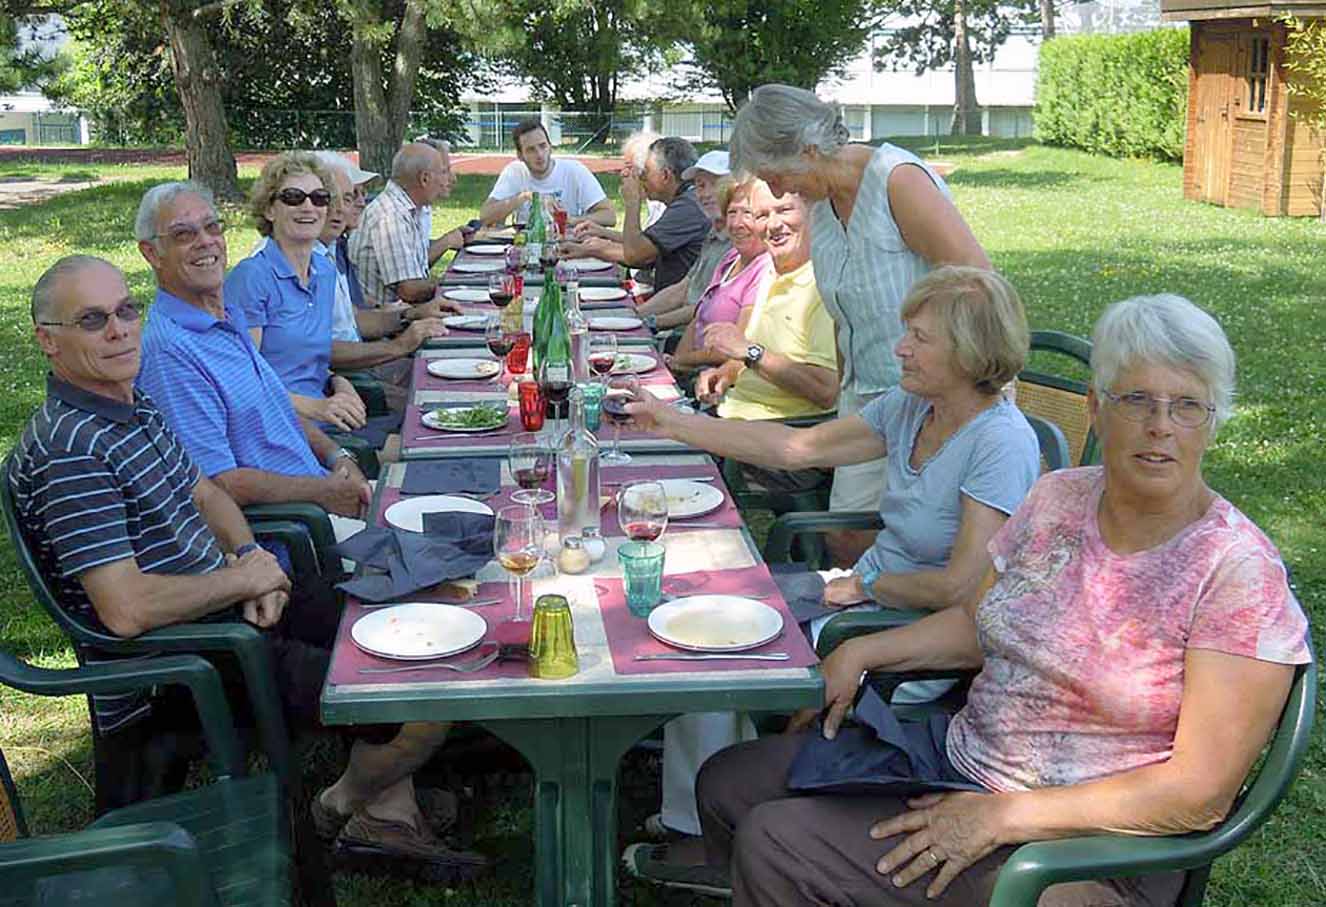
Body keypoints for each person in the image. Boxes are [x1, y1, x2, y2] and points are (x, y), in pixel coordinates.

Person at [626, 293, 1311, 906]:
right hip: (962, 760)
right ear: (1099, 408)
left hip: (1086, 848)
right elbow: (980, 621)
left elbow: (1198, 793)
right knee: (727, 783)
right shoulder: (1060, 498)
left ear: (1211, 421)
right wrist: (864, 648)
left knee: (779, 839)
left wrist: (1002, 817)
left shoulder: (1234, 570)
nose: (1162, 424)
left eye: (1187, 405)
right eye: (1137, 400)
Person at [11, 254, 489, 879]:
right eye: (93, 320)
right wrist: (242, 581)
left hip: (232, 602)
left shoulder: (127, 404)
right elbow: (125, 611)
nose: (121, 330)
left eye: (126, 311)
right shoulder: (71, 451)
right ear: (48, 340)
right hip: (186, 657)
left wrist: (247, 555)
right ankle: (340, 808)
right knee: (417, 687)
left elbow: (208, 493)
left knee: (425, 603)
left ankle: (379, 794)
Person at [631, 265, 1040, 844]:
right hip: (855, 593)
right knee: (703, 611)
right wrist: (674, 424)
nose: (900, 348)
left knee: (714, 647)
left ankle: (706, 830)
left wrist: (867, 589)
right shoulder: (913, 406)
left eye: (920, 338)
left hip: (906, 628)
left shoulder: (1000, 444)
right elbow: (797, 447)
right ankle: (707, 807)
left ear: (970, 353)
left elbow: (961, 587)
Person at [730, 84, 992, 564]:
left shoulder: (897, 181)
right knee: (846, 541)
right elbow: (842, 311)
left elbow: (980, 287)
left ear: (807, 150)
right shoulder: (823, 206)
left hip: (939, 403)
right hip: (866, 400)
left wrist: (967, 402)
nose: (781, 191)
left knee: (922, 552)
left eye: (779, 176)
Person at [135, 181, 372, 538]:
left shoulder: (227, 316)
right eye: (184, 234)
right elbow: (219, 485)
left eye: (212, 227)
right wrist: (324, 493)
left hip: (325, 499)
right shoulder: (171, 352)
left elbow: (277, 409)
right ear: (151, 253)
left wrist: (338, 456)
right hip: (298, 535)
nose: (206, 241)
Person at [223, 153, 401, 451]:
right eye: (293, 197)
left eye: (319, 198)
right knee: (409, 456)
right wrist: (317, 408)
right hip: (281, 431)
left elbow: (308, 360)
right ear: (269, 209)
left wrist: (339, 384)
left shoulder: (324, 271)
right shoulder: (252, 278)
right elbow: (242, 382)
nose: (309, 206)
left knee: (428, 432)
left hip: (329, 417)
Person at [311, 152, 451, 413]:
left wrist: (412, 314)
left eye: (351, 196)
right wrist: (399, 344)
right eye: (329, 199)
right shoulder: (295, 263)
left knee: (454, 375)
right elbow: (321, 352)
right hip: (348, 380)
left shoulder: (326, 252)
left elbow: (352, 320)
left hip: (360, 363)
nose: (352, 206)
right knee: (439, 399)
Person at [696, 182, 837, 425]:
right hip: (729, 414)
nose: (772, 225)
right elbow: (750, 356)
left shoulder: (822, 286)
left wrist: (750, 352)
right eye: (761, 215)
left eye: (784, 210)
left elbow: (825, 391)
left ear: (812, 213)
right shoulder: (770, 272)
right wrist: (725, 373)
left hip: (771, 438)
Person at [562, 137, 710, 292]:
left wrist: (632, 202)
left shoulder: (687, 207)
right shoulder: (687, 200)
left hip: (675, 304)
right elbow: (647, 243)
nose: (639, 179)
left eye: (644, 173)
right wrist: (603, 234)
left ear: (665, 176)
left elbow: (635, 254)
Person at [349, 141, 468, 308]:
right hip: (387, 325)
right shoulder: (391, 215)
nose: (450, 178)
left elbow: (415, 270)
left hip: (399, 316)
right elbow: (409, 291)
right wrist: (456, 283)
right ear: (425, 179)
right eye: (443, 172)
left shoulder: (407, 208)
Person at [667, 176, 767, 373]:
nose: (737, 223)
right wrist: (678, 362)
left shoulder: (764, 269)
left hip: (717, 381)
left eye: (747, 213)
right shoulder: (731, 257)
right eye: (731, 212)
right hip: (690, 369)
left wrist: (681, 361)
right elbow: (699, 316)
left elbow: (735, 347)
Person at [632, 150, 737, 334]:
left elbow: (706, 308)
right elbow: (684, 288)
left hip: (701, 341)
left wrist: (651, 321)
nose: (706, 194)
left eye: (716, 185)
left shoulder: (740, 243)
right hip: (684, 335)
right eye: (701, 186)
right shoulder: (715, 233)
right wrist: (634, 315)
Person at [479, 118, 616, 228]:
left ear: (550, 147)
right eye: (531, 150)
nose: (539, 154)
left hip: (568, 246)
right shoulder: (514, 172)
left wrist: (572, 221)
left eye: (543, 146)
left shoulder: (574, 170)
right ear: (520, 155)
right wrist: (526, 197)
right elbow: (485, 216)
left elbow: (609, 216)